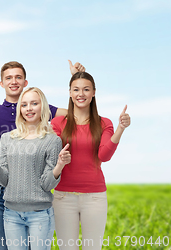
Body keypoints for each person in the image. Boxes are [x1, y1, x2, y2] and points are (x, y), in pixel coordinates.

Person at [0, 60, 84, 250]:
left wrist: (76, 80)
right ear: (2, 83)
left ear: (25, 82)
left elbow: (77, 113)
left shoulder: (41, 109)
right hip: (1, 192)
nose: (14, 81)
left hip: (36, 196)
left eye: (18, 77)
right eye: (9, 77)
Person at [51, 72, 131, 250]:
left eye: (86, 89)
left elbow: (104, 156)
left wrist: (120, 129)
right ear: (70, 93)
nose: (81, 94)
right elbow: (52, 154)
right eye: (76, 89)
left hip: (94, 197)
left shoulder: (104, 123)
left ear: (93, 92)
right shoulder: (58, 123)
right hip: (63, 196)